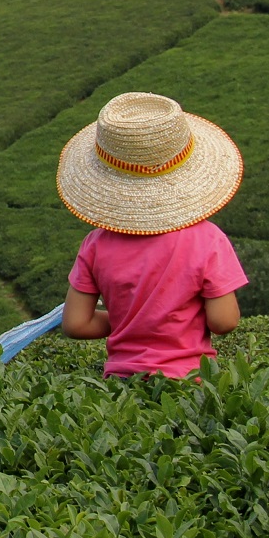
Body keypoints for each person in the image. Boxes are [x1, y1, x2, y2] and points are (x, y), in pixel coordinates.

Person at [56, 91, 248, 378]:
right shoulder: (208, 239)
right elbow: (224, 321)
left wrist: (132, 321)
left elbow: (75, 324)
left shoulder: (96, 244)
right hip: (190, 383)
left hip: (121, 385)